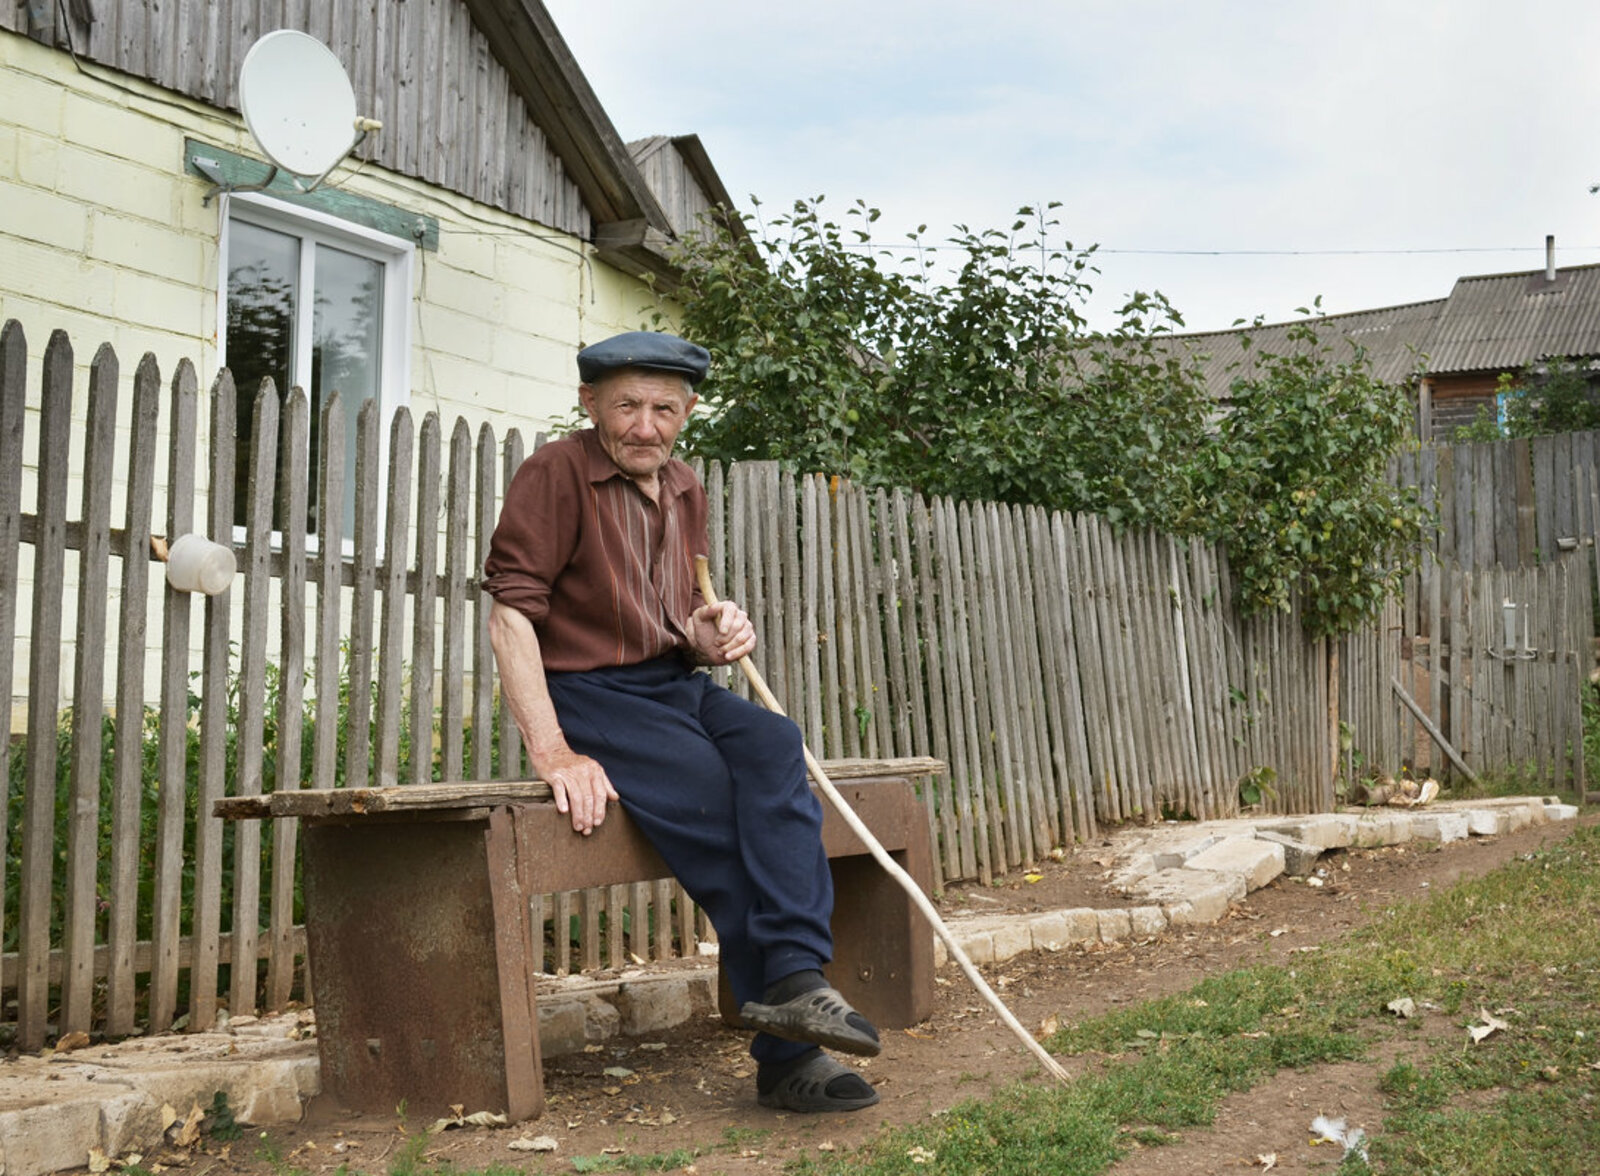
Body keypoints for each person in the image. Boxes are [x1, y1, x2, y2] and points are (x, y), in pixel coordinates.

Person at [483, 330, 882, 1113]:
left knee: (775, 741)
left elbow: (676, 624)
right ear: (590, 402)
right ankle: (789, 1057)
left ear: (688, 412)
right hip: (592, 694)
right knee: (718, 805)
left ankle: (798, 977)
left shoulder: (685, 488)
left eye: (663, 408)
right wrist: (554, 749)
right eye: (626, 405)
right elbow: (510, 618)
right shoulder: (556, 474)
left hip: (671, 686)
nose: (644, 426)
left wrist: (712, 634)